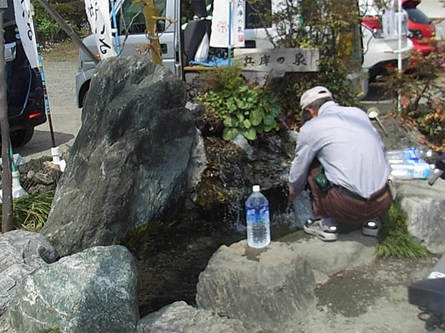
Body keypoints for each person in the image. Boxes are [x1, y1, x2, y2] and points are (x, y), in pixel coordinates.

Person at [288, 86, 392, 241]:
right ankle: (371, 222)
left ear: (310, 111)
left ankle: (325, 223)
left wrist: (293, 190)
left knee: (312, 164)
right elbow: (380, 148)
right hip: (382, 201)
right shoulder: (358, 114)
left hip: (345, 206)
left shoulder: (312, 127)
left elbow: (299, 167)